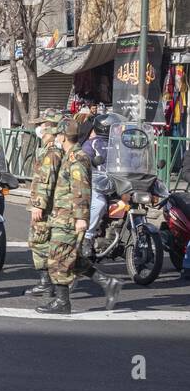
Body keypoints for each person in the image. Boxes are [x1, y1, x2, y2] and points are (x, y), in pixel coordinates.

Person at [37, 119, 122, 314]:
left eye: (58, 134)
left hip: (69, 217)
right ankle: (108, 283)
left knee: (57, 258)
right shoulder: (70, 155)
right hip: (61, 215)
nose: (56, 137)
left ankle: (62, 302)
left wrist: (82, 218)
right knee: (71, 257)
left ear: (63, 136)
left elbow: (81, 189)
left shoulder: (77, 158)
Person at [25, 111, 65, 299]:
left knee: (39, 242)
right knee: (45, 243)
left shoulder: (52, 152)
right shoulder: (51, 149)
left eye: (42, 125)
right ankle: (48, 282)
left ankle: (46, 283)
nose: (39, 128)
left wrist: (38, 205)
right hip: (52, 205)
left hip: (47, 207)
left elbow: (45, 181)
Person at [82, 113, 119, 257]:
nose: (117, 130)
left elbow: (129, 161)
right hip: (98, 184)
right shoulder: (91, 144)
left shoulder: (119, 144)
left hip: (118, 183)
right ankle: (87, 237)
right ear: (106, 128)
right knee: (99, 204)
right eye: (114, 127)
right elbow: (84, 162)